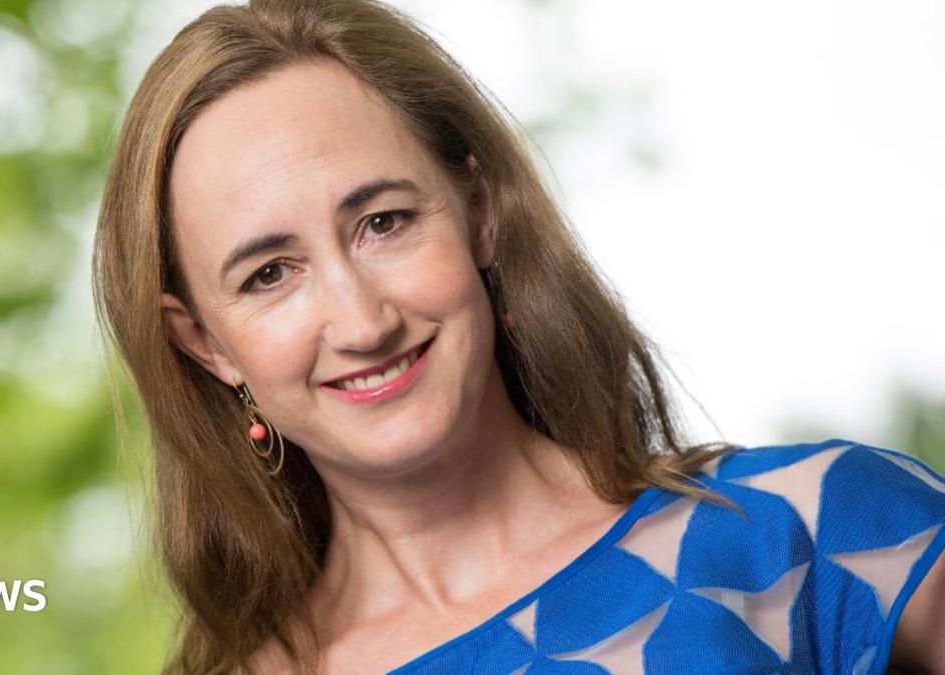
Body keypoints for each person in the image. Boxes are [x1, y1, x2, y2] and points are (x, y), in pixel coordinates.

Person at [92, 1, 945, 672]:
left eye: (384, 221)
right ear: (204, 342)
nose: (361, 320)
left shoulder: (823, 525)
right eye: (269, 274)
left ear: (480, 213)